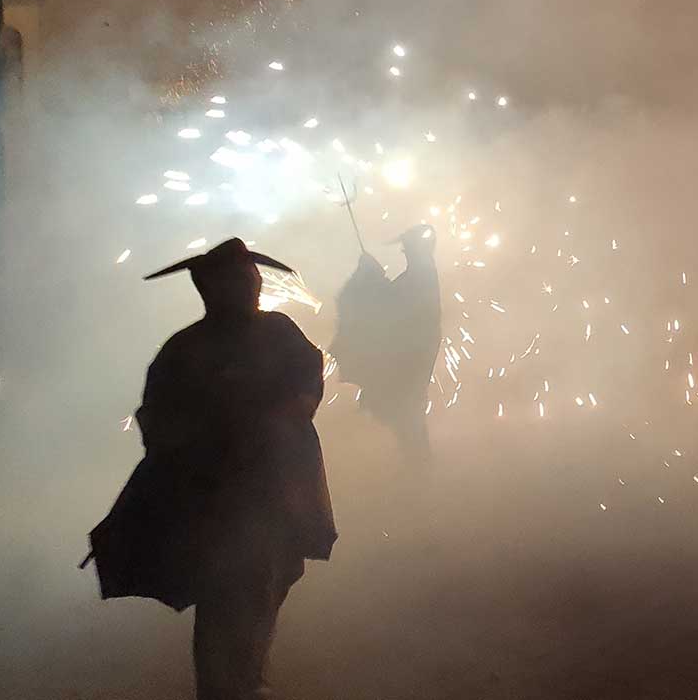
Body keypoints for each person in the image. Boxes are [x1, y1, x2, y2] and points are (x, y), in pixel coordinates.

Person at [87, 238, 336, 700]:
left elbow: (306, 389)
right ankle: (232, 686)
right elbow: (156, 423)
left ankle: (239, 679)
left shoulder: (278, 332)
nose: (254, 284)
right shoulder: (182, 352)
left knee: (260, 588)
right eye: (242, 279)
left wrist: (273, 420)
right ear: (213, 289)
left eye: (252, 277)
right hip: (215, 503)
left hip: (274, 492)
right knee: (233, 593)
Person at [330, 226, 442, 466]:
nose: (406, 253)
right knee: (407, 425)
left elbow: (388, 307)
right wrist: (372, 278)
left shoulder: (421, 278)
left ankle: (416, 479)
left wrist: (368, 277)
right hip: (408, 366)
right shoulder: (420, 277)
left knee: (407, 425)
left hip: (406, 368)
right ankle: (415, 474)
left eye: (408, 249)